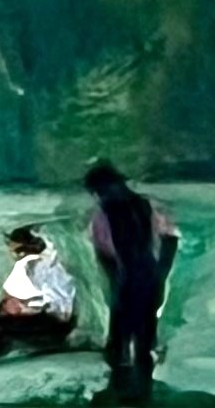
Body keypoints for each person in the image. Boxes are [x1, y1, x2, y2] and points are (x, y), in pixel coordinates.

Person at [84, 161, 179, 400]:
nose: (99, 196)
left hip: (138, 278)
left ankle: (131, 390)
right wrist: (158, 272)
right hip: (138, 278)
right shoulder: (127, 210)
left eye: (99, 191)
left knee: (132, 336)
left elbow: (169, 240)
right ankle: (131, 390)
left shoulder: (129, 210)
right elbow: (169, 240)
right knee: (131, 336)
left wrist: (159, 272)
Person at [0, 226, 79, 366]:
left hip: (58, 324)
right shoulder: (33, 266)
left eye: (18, 251)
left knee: (0, 326)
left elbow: (60, 305)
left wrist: (26, 310)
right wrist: (24, 307)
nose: (15, 256)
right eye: (13, 251)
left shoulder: (43, 265)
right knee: (1, 319)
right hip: (53, 319)